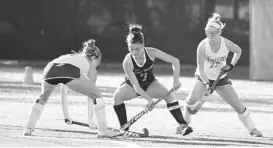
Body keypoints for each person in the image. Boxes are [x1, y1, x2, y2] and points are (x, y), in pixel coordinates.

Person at [180, 13, 263, 137]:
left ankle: (252, 129)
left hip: (221, 79)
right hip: (203, 78)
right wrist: (207, 83)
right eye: (208, 32)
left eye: (213, 33)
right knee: (191, 100)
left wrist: (231, 65)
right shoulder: (202, 46)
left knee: (238, 105)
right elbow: (201, 69)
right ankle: (184, 125)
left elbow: (238, 51)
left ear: (220, 32)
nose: (210, 35)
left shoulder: (226, 43)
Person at [23, 39, 119, 138]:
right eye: (97, 63)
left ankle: (28, 128)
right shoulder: (89, 66)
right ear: (94, 57)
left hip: (50, 68)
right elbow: (91, 97)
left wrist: (67, 116)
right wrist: (90, 121)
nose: (96, 66)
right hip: (68, 70)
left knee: (43, 98)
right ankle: (103, 131)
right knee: (97, 94)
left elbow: (63, 92)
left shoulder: (72, 58)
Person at [112, 24, 193, 136]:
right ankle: (124, 129)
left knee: (169, 96)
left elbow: (175, 61)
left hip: (150, 84)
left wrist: (176, 80)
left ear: (143, 45)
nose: (134, 53)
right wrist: (149, 100)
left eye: (137, 49)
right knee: (117, 97)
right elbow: (136, 87)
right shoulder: (127, 61)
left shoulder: (151, 52)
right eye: (131, 49)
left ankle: (183, 125)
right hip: (132, 86)